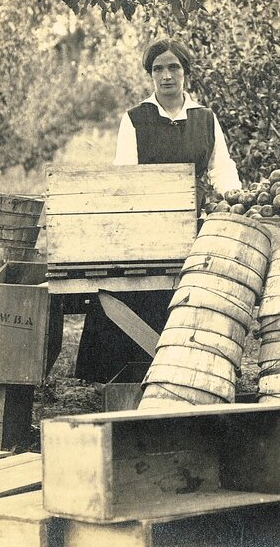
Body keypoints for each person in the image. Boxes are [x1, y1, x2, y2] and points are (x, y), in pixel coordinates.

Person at [75, 39, 243, 383]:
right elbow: (125, 174)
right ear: (150, 75)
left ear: (186, 72)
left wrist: (234, 201)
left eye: (173, 68)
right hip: (147, 225)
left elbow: (222, 170)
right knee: (143, 291)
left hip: (192, 222)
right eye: (158, 69)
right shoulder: (136, 119)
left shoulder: (205, 119)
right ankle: (130, 374)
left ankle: (184, 373)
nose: (166, 76)